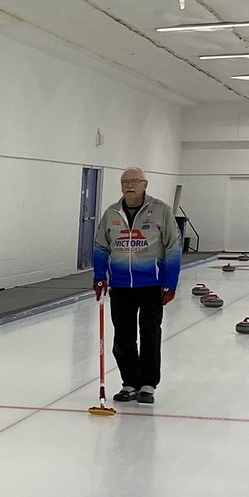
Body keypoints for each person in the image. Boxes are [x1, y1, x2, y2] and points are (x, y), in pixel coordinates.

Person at [91, 167, 181, 404]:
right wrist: (99, 276)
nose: (129, 186)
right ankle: (129, 382)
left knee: (150, 333)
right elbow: (101, 246)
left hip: (151, 284)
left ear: (145, 184)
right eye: (125, 182)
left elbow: (173, 247)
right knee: (123, 336)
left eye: (134, 181)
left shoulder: (161, 211)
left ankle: (148, 384)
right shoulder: (111, 213)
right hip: (120, 286)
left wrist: (170, 283)